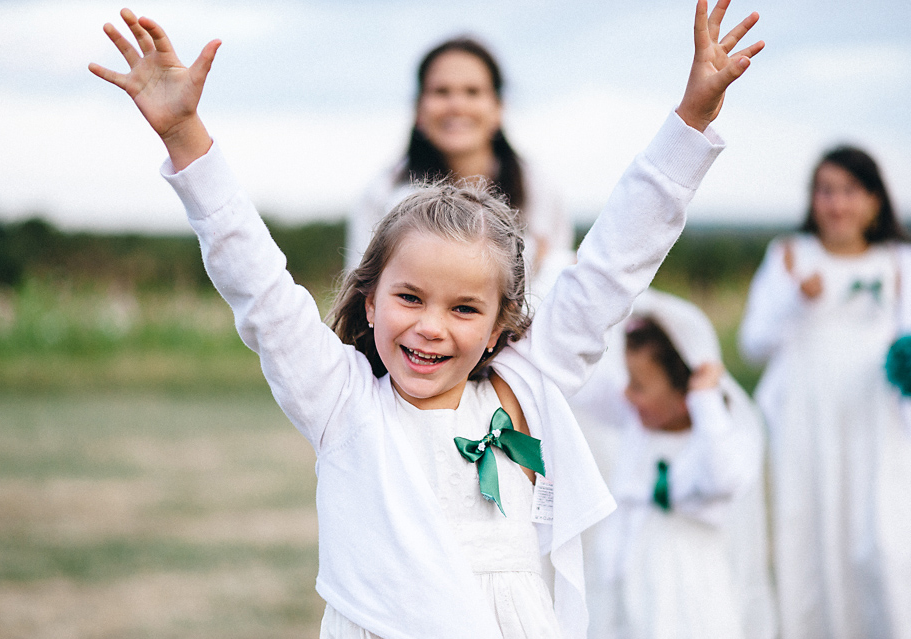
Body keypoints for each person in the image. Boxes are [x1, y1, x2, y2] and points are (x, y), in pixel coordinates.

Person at [89, 2, 763, 637]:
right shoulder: (341, 398)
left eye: (465, 308)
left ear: (502, 325)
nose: (431, 326)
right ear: (369, 298)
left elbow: (615, 261)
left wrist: (691, 122)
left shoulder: (524, 385)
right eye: (410, 298)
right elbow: (257, 284)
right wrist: (186, 138)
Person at [739, 146, 911, 639]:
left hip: (879, 425)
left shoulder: (898, 262)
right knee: (807, 536)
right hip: (806, 422)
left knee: (882, 539)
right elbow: (753, 344)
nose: (837, 204)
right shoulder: (791, 255)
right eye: (826, 191)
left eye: (850, 192)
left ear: (875, 200)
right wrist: (796, 300)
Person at [570, 289, 775, 639]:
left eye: (639, 386)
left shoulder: (712, 440)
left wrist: (705, 400)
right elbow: (583, 389)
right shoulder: (639, 422)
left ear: (684, 398)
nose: (627, 394)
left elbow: (724, 476)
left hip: (683, 589)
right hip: (623, 574)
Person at [345, 35, 572, 295]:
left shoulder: (538, 187)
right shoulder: (384, 194)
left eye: (472, 92)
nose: (456, 105)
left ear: (498, 108)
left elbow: (557, 284)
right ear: (419, 109)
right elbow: (362, 290)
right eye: (441, 92)